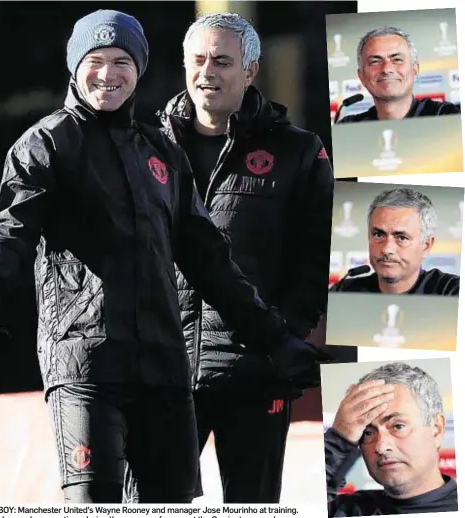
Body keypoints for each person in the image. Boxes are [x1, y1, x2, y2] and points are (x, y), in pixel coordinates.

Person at [0, 9, 326, 504]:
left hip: (164, 373)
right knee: (97, 503)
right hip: (86, 363)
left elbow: (209, 260)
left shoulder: (161, 151)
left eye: (122, 62)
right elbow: (12, 224)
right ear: (74, 67)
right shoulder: (48, 143)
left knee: (170, 507)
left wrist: (274, 337)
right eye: (96, 60)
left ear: (139, 70)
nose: (108, 74)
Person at [155, 12, 354, 503]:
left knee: (252, 505)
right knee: (153, 503)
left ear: (251, 70)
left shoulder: (298, 152)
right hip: (162, 371)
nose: (207, 73)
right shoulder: (145, 148)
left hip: (255, 369)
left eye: (222, 61)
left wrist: (286, 334)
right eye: (198, 60)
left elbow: (320, 256)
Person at [325, 362, 458, 516]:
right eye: (368, 432)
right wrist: (340, 440)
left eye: (398, 426)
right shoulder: (340, 511)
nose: (381, 447)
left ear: (437, 429)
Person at [331, 187, 460, 295]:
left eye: (402, 238)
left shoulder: (452, 291)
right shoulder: (343, 291)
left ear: (426, 246)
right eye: (378, 235)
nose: (387, 249)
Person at [337, 26, 460, 123]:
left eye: (397, 59)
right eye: (375, 61)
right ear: (361, 76)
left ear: (415, 69)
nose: (386, 69)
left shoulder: (445, 115)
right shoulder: (347, 126)